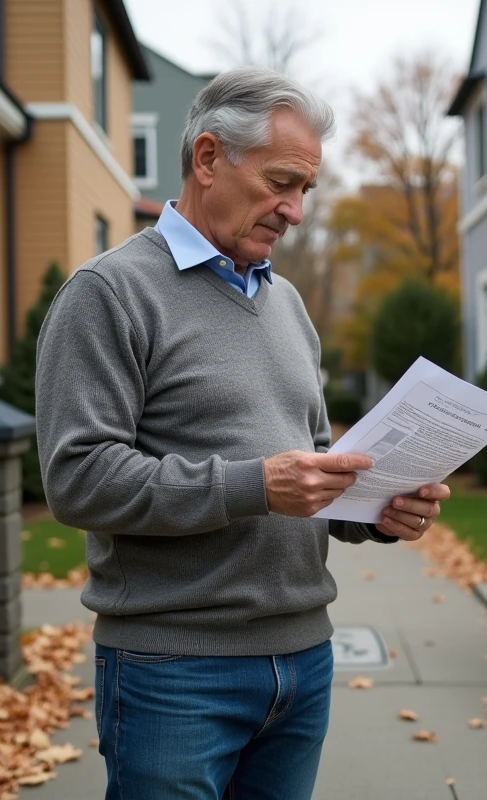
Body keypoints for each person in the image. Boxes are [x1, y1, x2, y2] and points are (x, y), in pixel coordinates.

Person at [35, 67, 451, 800]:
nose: (294, 211)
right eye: (280, 183)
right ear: (207, 159)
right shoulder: (108, 294)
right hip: (173, 671)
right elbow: (78, 479)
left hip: (302, 660)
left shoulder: (289, 304)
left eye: (305, 192)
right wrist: (254, 484)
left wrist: (380, 512)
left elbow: (313, 467)